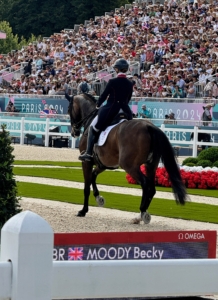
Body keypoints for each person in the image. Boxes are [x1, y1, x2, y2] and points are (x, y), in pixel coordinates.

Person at [79, 58, 133, 162]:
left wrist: (98, 104)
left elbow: (104, 95)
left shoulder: (112, 81)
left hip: (111, 109)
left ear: (117, 69)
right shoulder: (130, 83)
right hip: (126, 111)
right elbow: (128, 98)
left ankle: (89, 153)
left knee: (93, 127)